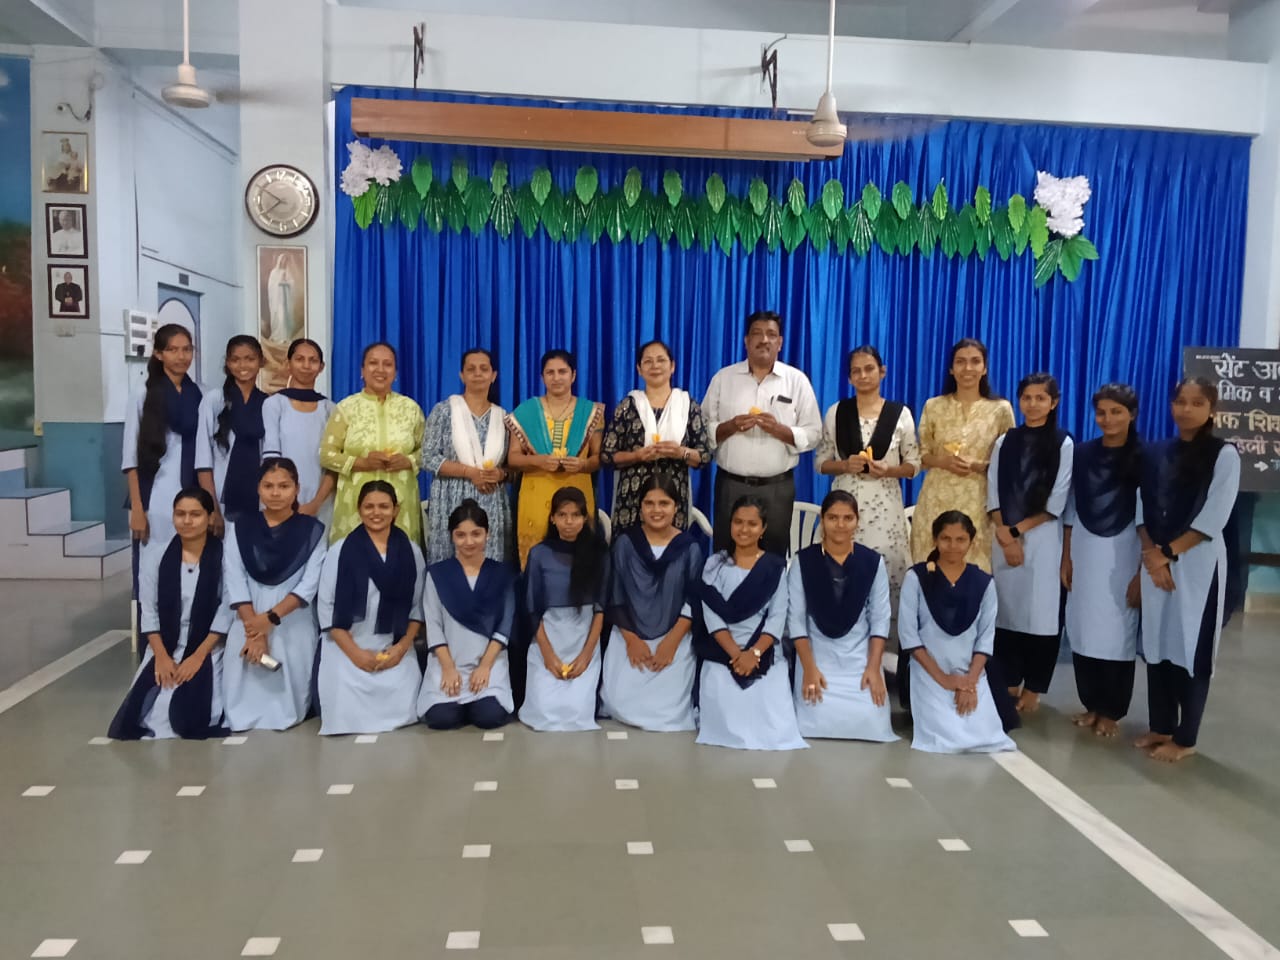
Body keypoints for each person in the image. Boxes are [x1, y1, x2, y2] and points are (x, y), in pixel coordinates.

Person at [1133, 378, 1240, 763]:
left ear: (1212, 409)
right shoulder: (1157, 451)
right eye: (1180, 401)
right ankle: (1161, 725)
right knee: (1159, 645)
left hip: (1198, 566)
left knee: (1191, 648)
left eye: (1197, 403)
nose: (1186, 409)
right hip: (1156, 560)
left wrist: (1167, 554)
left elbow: (1214, 515)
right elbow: (1141, 505)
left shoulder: (1223, 454)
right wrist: (1152, 554)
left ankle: (1186, 736)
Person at [108, 488, 231, 740]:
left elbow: (226, 609)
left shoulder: (224, 555)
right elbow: (149, 609)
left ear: (210, 517)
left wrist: (198, 656)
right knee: (151, 710)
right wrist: (161, 657)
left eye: (195, 514)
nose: (187, 521)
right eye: (180, 514)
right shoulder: (155, 554)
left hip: (208, 645)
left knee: (194, 711)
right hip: (164, 644)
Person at [987, 373, 1074, 714]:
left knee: (1041, 617)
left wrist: (1016, 532)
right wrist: (1004, 532)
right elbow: (993, 489)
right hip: (1002, 535)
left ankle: (1035, 687)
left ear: (1054, 403)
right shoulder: (1004, 441)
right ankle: (1008, 678)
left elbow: (1057, 500)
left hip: (1042, 538)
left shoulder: (1063, 443)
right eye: (1027, 397)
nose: (1033, 404)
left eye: (1041, 398)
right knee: (1006, 612)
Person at [702, 311, 822, 556]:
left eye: (771, 334)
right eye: (757, 334)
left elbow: (814, 433)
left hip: (777, 488)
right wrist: (731, 426)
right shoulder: (724, 378)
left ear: (780, 342)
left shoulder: (796, 381)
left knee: (773, 559)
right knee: (726, 555)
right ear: (746, 341)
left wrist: (781, 431)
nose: (764, 340)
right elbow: (702, 428)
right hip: (731, 485)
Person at [221, 459, 327, 732]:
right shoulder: (240, 527)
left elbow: (308, 585)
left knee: (288, 699)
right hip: (248, 618)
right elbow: (235, 579)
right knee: (240, 694)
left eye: (284, 486)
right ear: (258, 489)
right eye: (268, 486)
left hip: (291, 619)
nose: (276, 493)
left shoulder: (313, 531)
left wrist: (269, 620)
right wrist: (255, 631)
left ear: (297, 489)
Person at [1061, 384, 1142, 738]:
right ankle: (1091, 703)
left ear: (1132, 414)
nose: (1107, 419)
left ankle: (1112, 709)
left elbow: (1149, 514)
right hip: (1083, 544)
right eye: (1102, 413)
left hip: (1126, 547)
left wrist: (1141, 571)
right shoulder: (1082, 454)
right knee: (1082, 625)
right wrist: (1066, 556)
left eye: (1116, 412)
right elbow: (1070, 506)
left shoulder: (1144, 457)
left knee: (1116, 628)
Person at [694, 496, 806, 751]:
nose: (744, 529)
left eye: (752, 524)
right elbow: (712, 615)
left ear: (763, 528)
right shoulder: (714, 564)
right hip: (723, 653)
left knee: (773, 728)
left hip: (764, 653)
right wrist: (737, 655)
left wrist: (753, 653)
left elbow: (777, 616)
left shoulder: (775, 567)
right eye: (738, 522)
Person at [899, 511, 1015, 754]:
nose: (953, 546)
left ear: (971, 541)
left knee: (987, 737)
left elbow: (985, 638)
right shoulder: (916, 578)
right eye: (946, 539)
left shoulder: (984, 582)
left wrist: (969, 683)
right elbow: (909, 636)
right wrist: (944, 679)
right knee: (944, 739)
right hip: (928, 671)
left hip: (971, 673)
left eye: (960, 539)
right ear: (935, 540)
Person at [316, 481, 425, 735]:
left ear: (396, 510)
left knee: (406, 705)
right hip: (347, 646)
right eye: (369, 507)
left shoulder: (412, 552)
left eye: (384, 506)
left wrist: (401, 649)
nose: (376, 513)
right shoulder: (339, 551)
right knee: (343, 707)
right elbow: (326, 608)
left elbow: (417, 607)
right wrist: (355, 653)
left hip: (394, 646)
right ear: (358, 509)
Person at [788, 491, 896, 742]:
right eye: (833, 517)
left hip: (860, 658)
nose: (840, 525)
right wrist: (809, 669)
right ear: (822, 520)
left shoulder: (872, 562)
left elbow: (880, 618)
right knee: (813, 719)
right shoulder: (804, 561)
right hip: (817, 657)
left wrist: (874, 668)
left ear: (857, 521)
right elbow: (796, 620)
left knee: (871, 720)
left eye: (848, 518)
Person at [817, 345, 920, 607]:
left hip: (886, 511)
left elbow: (913, 465)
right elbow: (820, 463)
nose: (863, 376)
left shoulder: (900, 414)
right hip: (844, 507)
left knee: (886, 573)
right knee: (839, 572)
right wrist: (844, 465)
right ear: (849, 378)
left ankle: (887, 631)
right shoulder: (836, 412)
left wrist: (889, 470)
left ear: (882, 371)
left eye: (869, 369)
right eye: (856, 371)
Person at [600, 474, 704, 732]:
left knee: (669, 712)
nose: (656, 510)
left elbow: (693, 600)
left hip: (675, 636)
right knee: (619, 703)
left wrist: (671, 643)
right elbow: (615, 595)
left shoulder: (689, 548)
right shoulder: (625, 543)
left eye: (664, 503)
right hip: (629, 634)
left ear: (676, 507)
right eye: (649, 503)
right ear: (640, 507)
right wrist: (632, 640)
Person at [910, 338, 1015, 571]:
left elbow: (1008, 461)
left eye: (975, 361)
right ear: (951, 369)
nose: (968, 368)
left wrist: (980, 465)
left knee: (974, 570)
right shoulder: (933, 406)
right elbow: (922, 455)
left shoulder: (1000, 409)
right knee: (930, 566)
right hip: (936, 498)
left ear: (984, 368)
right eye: (960, 362)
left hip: (978, 501)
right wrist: (943, 461)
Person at [417, 500, 516, 730]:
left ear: (487, 534)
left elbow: (504, 626)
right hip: (447, 663)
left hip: (489, 663)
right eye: (461, 535)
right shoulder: (437, 574)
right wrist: (448, 668)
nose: (469, 542)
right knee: (442, 719)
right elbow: (433, 625)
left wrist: (485, 667)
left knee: (488, 717)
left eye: (476, 534)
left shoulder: (503, 574)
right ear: (451, 536)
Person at [521, 486, 608, 732]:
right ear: (552, 518)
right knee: (545, 714)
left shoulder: (599, 553)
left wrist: (586, 656)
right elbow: (532, 609)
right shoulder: (539, 554)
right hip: (548, 639)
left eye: (575, 515)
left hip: (583, 639)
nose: (569, 522)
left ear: (585, 518)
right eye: (562, 515)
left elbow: (600, 608)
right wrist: (548, 656)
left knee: (576, 714)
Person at [506, 350, 604, 568]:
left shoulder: (590, 412)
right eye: (550, 372)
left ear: (573, 375)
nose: (556, 377)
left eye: (562, 372)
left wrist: (583, 464)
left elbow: (599, 458)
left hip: (577, 491)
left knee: (580, 560)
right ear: (542, 377)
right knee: (535, 562)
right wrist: (538, 461)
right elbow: (512, 458)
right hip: (536, 494)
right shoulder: (526, 412)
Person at [320, 342, 425, 544]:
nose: (380, 369)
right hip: (355, 501)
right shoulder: (346, 407)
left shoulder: (411, 408)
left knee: (399, 555)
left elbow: (427, 452)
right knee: (356, 556)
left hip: (400, 501)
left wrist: (408, 461)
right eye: (373, 363)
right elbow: (326, 455)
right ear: (362, 370)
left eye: (388, 364)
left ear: (395, 372)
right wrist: (362, 463)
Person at [601, 340, 711, 532]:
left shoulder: (688, 406)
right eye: (648, 361)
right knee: (630, 549)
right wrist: (637, 456)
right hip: (633, 500)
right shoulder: (628, 406)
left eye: (661, 360)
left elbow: (704, 456)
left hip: (673, 499)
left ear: (672, 366)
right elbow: (607, 455)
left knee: (671, 549)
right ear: (639, 369)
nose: (655, 366)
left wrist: (680, 453)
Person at [421, 349, 512, 563]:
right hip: (450, 499)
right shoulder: (444, 411)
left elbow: (510, 466)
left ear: (493, 375)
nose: (477, 373)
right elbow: (427, 457)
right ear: (462, 375)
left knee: (489, 566)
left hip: (490, 501)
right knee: (449, 566)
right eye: (471, 369)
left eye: (484, 369)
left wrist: (500, 474)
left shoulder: (503, 417)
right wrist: (470, 473)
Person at [123, 323, 201, 556]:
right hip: (155, 491)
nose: (181, 356)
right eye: (172, 350)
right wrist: (138, 508)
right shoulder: (143, 393)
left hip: (190, 488)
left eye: (186, 349)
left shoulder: (198, 394)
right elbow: (130, 456)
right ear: (158, 354)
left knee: (188, 560)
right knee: (154, 561)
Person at [261, 338, 337, 523]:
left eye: (313, 360)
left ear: (321, 367)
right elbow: (272, 458)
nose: (306, 365)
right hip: (280, 501)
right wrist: (284, 500)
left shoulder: (330, 409)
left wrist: (315, 503)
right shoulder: (274, 404)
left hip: (321, 502)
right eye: (299, 359)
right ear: (288, 364)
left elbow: (334, 465)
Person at [197, 336, 267, 531]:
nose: (243, 365)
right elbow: (203, 459)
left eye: (250, 359)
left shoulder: (267, 403)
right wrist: (212, 508)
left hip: (259, 495)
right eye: (235, 360)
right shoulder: (214, 400)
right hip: (222, 494)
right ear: (227, 363)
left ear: (261, 361)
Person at [266, 253, 297, 343]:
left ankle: (285, 336)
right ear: (279, 261)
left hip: (285, 298)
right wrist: (280, 281)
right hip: (277, 299)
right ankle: (278, 336)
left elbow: (292, 283)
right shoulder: (274, 272)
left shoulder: (287, 272)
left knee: (285, 317)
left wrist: (286, 282)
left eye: (286, 260)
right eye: (283, 260)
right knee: (280, 317)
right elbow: (271, 285)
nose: (284, 261)